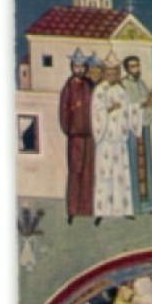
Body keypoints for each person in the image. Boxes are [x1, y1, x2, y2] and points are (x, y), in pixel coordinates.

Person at [90, 55, 136, 222]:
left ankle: (124, 209)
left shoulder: (121, 90)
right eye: (109, 71)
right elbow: (96, 113)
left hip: (120, 140)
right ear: (105, 72)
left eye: (115, 71)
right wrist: (108, 109)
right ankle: (102, 211)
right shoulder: (100, 90)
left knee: (121, 174)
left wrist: (139, 109)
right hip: (106, 141)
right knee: (105, 174)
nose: (112, 74)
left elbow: (129, 110)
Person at [59, 51, 96, 224]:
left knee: (89, 172)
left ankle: (86, 208)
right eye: (76, 66)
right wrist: (70, 130)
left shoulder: (90, 85)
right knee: (75, 172)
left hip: (90, 136)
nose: (79, 69)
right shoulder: (68, 88)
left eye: (82, 66)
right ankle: (72, 209)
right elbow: (64, 112)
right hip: (75, 137)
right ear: (72, 67)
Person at [120, 56, 152, 217]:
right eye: (132, 66)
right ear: (127, 68)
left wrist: (151, 100)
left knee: (145, 166)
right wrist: (145, 101)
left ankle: (148, 205)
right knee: (131, 166)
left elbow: (145, 102)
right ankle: (131, 206)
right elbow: (127, 107)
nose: (136, 68)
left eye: (137, 65)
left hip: (143, 128)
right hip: (131, 130)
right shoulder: (123, 85)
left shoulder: (141, 83)